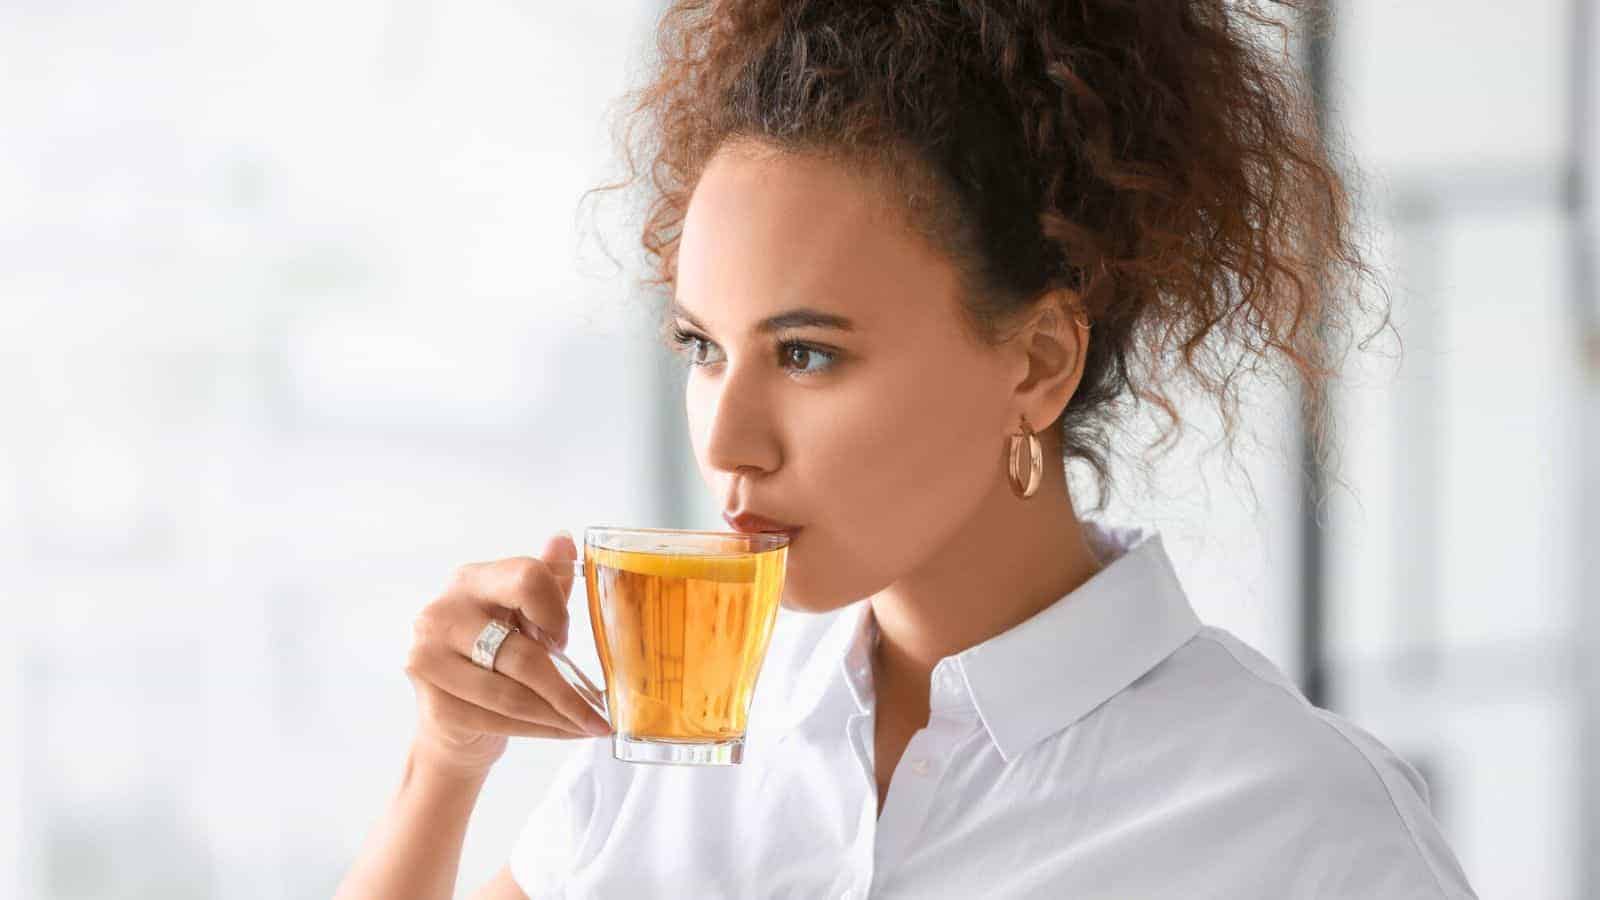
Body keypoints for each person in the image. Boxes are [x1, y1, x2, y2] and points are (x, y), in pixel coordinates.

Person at [336, 0, 1480, 897]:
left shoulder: (1293, 822)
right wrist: (445, 761)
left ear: (1035, 363)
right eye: (700, 348)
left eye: (807, 356)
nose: (727, 441)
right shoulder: (684, 741)